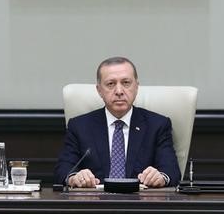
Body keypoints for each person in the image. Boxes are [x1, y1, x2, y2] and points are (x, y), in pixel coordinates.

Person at [54, 57, 181, 188]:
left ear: (137, 87)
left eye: (126, 83)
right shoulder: (79, 127)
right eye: (110, 84)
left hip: (141, 203)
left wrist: (161, 177)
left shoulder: (157, 125)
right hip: (95, 204)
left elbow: (172, 172)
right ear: (99, 90)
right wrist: (74, 178)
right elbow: (62, 171)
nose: (119, 91)